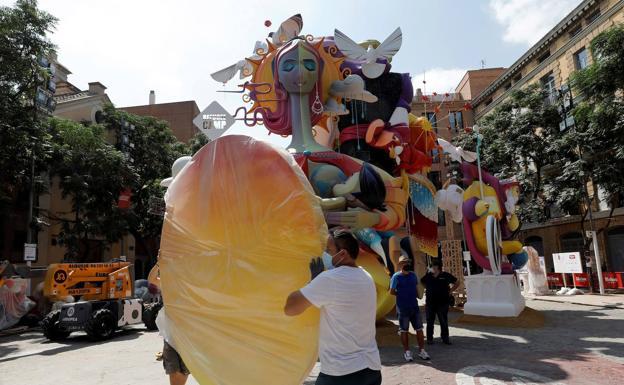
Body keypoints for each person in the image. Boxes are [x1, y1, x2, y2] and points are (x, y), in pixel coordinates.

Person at [284, 229, 382, 385]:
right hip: (371, 368)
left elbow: (290, 308)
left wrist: (312, 282)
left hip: (341, 373)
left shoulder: (330, 279)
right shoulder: (366, 277)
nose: (325, 255)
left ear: (342, 254)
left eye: (328, 250)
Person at [389, 255, 430, 362]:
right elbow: (391, 291)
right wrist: (401, 294)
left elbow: (416, 288)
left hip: (414, 307)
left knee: (419, 329)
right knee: (404, 330)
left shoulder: (413, 275)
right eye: (404, 262)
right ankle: (407, 352)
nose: (406, 264)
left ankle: (422, 350)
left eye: (408, 262)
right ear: (400, 265)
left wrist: (417, 296)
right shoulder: (396, 277)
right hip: (403, 308)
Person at [421, 260, 458, 345]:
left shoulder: (445, 275)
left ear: (438, 267)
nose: (432, 268)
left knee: (443, 321)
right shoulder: (428, 276)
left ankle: (445, 338)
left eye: (433, 266)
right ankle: (429, 339)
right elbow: (422, 281)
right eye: (431, 266)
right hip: (430, 303)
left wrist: (450, 291)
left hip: (443, 302)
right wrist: (428, 289)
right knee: (430, 321)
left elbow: (457, 282)